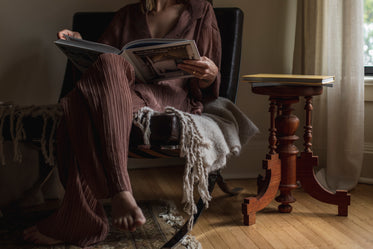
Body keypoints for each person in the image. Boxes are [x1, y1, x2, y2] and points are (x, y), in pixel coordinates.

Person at [23, 0, 221, 247]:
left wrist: (210, 74)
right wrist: (77, 40)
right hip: (125, 96)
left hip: (170, 98)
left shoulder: (200, 11)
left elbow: (209, 82)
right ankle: (120, 192)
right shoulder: (127, 15)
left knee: (77, 102)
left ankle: (85, 214)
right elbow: (101, 65)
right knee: (97, 78)